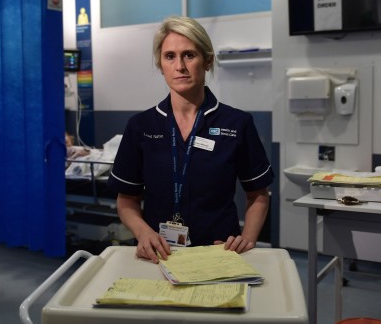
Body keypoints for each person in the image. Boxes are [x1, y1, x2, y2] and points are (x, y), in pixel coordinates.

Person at [107, 16, 274, 263]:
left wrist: (247, 241)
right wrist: (143, 233)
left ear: (207, 61)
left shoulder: (236, 124)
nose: (180, 66)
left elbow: (258, 195)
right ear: (160, 64)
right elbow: (126, 199)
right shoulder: (141, 126)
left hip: (219, 253)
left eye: (189, 55)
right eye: (170, 56)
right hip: (159, 254)